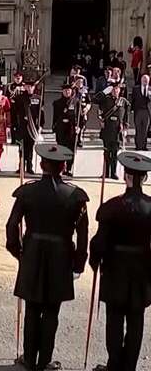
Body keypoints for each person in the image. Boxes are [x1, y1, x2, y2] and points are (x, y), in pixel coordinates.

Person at [6, 143, 89, 371]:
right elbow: (83, 235)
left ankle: (30, 359)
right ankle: (44, 361)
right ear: (63, 166)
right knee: (52, 310)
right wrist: (78, 264)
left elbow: (12, 225)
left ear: (42, 165)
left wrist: (18, 251)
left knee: (32, 308)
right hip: (61, 254)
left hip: (32, 251)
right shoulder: (75, 195)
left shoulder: (28, 191)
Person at [89, 151, 151, 371]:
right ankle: (129, 366)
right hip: (142, 270)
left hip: (115, 268)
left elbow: (99, 242)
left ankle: (114, 364)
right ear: (144, 179)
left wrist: (94, 261)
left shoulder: (112, 206)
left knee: (114, 320)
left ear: (126, 177)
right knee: (136, 321)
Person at [100, 84, 128, 180]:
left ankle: (113, 172)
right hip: (107, 129)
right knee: (107, 152)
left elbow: (126, 116)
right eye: (114, 89)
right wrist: (104, 92)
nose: (115, 91)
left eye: (117, 89)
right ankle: (106, 172)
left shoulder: (123, 101)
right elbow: (97, 103)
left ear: (119, 90)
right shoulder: (106, 100)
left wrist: (125, 127)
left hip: (117, 130)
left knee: (115, 153)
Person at [52, 84, 79, 176]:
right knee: (61, 148)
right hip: (61, 128)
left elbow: (80, 116)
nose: (67, 92)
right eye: (65, 90)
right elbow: (55, 117)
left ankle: (69, 168)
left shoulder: (76, 102)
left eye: (69, 90)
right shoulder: (57, 102)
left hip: (71, 129)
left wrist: (79, 126)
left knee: (70, 149)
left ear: (71, 91)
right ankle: (61, 167)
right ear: (62, 92)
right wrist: (54, 127)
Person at [131, 73, 150, 151]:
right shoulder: (136, 89)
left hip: (147, 111)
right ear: (141, 80)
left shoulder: (150, 89)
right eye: (144, 79)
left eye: (146, 79)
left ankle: (144, 146)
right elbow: (133, 100)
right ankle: (138, 146)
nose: (145, 80)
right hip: (138, 111)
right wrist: (132, 109)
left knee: (145, 129)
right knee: (138, 129)